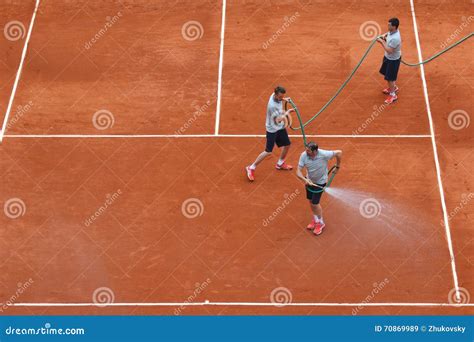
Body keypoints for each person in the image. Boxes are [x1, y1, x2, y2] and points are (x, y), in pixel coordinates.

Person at [245, 86, 294, 181]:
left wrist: (284, 99)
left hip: (279, 127)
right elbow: (278, 120)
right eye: (280, 97)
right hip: (272, 129)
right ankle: (251, 167)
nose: (281, 99)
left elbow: (280, 99)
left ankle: (280, 163)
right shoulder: (272, 106)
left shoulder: (274, 95)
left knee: (287, 144)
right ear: (275, 95)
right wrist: (287, 113)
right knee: (268, 151)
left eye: (282, 97)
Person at [296, 142, 342, 235]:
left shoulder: (324, 154)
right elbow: (298, 171)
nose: (306, 151)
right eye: (306, 149)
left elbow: (339, 152)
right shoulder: (304, 155)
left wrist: (337, 167)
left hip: (321, 182)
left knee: (315, 203)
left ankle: (321, 223)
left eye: (308, 150)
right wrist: (304, 179)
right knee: (310, 200)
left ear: (315, 151)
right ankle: (316, 219)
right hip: (309, 181)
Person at [377, 17, 402, 105]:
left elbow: (389, 50)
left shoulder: (396, 38)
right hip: (388, 58)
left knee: (390, 78)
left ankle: (393, 94)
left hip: (393, 60)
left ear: (394, 27)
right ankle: (393, 87)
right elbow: (387, 34)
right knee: (387, 75)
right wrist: (383, 37)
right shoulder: (392, 32)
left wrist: (381, 42)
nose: (388, 25)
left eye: (389, 25)